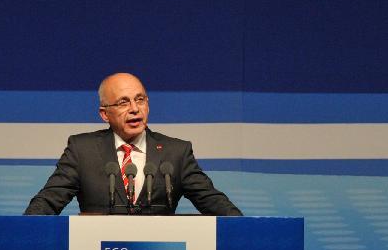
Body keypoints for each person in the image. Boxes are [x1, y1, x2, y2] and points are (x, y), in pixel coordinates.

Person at [24, 72, 242, 215]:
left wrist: (247, 230)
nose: (135, 109)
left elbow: (214, 202)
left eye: (140, 99)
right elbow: (48, 201)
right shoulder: (82, 150)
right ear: (104, 114)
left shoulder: (176, 152)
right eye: (123, 102)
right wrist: (21, 231)